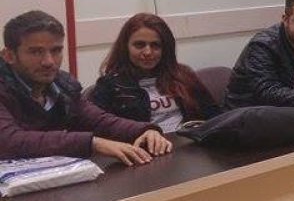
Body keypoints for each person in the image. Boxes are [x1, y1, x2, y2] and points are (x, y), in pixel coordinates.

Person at [0, 10, 172, 165]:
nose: (49, 61)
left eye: (56, 50)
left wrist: (146, 130)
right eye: (36, 52)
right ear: (9, 55)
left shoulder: (63, 85)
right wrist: (93, 143)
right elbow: (8, 141)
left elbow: (99, 121)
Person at [89, 13, 222, 133]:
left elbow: (215, 116)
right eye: (139, 45)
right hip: (143, 148)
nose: (148, 52)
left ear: (165, 49)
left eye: (155, 45)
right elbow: (97, 129)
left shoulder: (183, 75)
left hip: (188, 143)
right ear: (126, 47)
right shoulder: (110, 85)